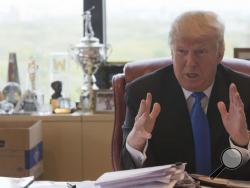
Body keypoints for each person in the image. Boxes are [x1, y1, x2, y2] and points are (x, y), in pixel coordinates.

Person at [121, 11, 250, 180]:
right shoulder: (143, 93)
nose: (190, 62)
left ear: (219, 53)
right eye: (181, 51)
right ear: (172, 52)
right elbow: (126, 170)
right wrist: (137, 144)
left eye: (200, 52)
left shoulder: (245, 92)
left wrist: (241, 142)